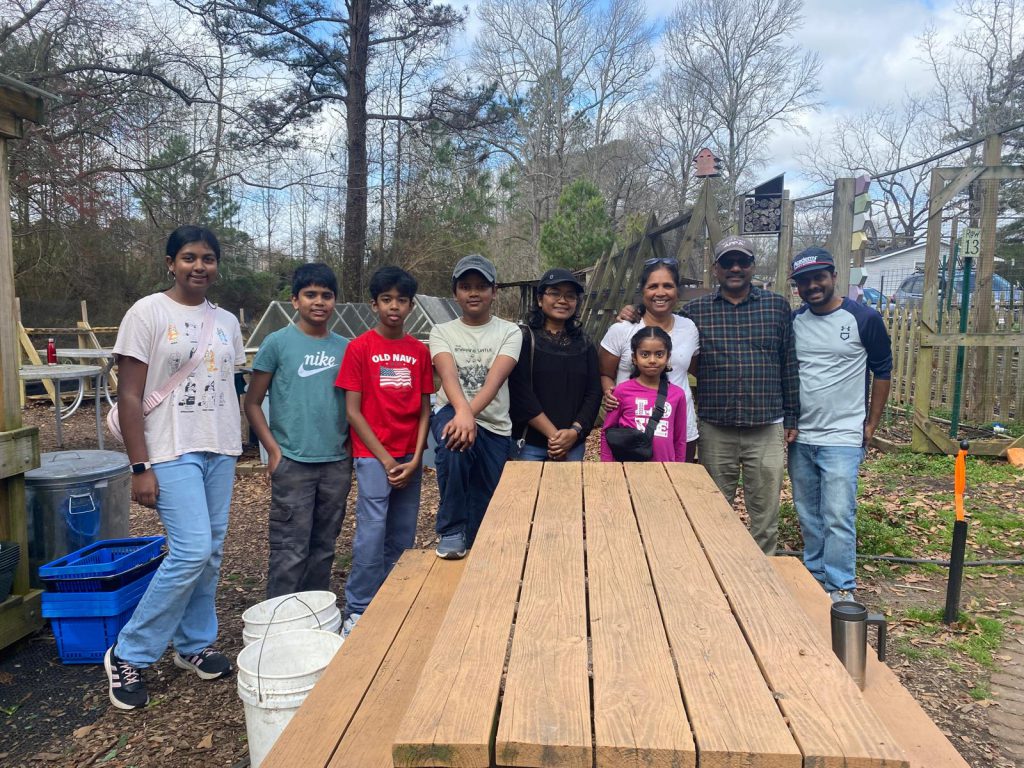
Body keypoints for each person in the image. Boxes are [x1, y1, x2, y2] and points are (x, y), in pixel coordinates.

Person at [104, 226, 245, 710]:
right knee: (190, 551)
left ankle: (193, 644)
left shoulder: (226, 321)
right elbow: (129, 395)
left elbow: (226, 384)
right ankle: (129, 652)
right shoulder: (147, 313)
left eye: (208, 258)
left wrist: (237, 445)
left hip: (218, 446)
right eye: (189, 257)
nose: (199, 266)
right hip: (169, 448)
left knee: (210, 554)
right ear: (170, 263)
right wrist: (139, 465)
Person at [683, 235, 799, 556]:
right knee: (713, 508)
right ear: (715, 269)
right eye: (727, 262)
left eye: (742, 261)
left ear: (752, 266)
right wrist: (632, 313)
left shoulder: (776, 307)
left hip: (766, 425)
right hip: (715, 426)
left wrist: (792, 415)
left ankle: (763, 570)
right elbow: (664, 335)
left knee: (765, 514)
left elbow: (788, 363)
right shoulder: (694, 312)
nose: (735, 268)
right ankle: (718, 569)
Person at [788, 247, 892, 602]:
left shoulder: (863, 318)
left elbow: (882, 370)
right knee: (808, 512)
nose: (812, 286)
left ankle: (840, 586)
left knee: (837, 513)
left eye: (818, 277)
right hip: (801, 435)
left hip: (843, 435)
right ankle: (814, 576)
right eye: (803, 281)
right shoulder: (795, 321)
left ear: (833, 276)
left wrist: (871, 423)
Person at [244, 263, 351, 600]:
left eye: (326, 295)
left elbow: (355, 406)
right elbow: (252, 403)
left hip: (336, 464)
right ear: (295, 300)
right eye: (310, 294)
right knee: (290, 548)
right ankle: (278, 618)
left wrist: (349, 452)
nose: (318, 302)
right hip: (293, 463)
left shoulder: (346, 348)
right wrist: (273, 451)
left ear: (334, 301)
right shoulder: (277, 343)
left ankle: (314, 613)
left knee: (324, 546)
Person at [335, 266, 433, 636]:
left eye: (402, 300)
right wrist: (387, 459)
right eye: (387, 299)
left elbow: (424, 409)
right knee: (371, 534)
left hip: (410, 456)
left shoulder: (418, 352)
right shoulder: (359, 348)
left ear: (410, 306)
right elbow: (353, 412)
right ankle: (358, 609)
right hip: (373, 456)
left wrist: (417, 456)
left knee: (403, 534)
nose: (394, 306)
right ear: (374, 304)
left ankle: (394, 601)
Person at [430, 254, 521, 559]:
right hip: (451, 410)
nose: (473, 293)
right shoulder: (442, 331)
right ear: (455, 292)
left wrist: (469, 414)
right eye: (466, 286)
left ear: (494, 291)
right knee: (454, 441)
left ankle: (476, 545)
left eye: (481, 286)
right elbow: (448, 375)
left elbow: (495, 380)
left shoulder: (509, 332)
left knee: (485, 497)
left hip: (494, 422)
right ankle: (452, 529)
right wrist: (462, 414)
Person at [600, 257, 700, 461]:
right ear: (643, 291)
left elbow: (695, 368)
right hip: (630, 433)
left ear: (677, 291)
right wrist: (610, 393)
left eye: (668, 286)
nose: (660, 292)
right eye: (653, 286)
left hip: (678, 429)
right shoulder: (622, 329)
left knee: (676, 480)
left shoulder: (689, 328)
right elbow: (604, 372)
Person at [508, 268, 602, 461]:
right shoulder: (524, 339)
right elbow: (520, 393)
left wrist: (575, 431)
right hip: (529, 445)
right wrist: (555, 436)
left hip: (573, 445)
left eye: (570, 296)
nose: (563, 300)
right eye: (555, 293)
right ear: (540, 299)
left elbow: (593, 392)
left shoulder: (585, 344)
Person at [600, 326, 688, 462]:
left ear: (668, 357)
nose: (652, 360)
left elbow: (680, 438)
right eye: (645, 354)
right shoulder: (622, 391)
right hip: (628, 467)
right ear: (634, 358)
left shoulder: (677, 394)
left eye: (659, 354)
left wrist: (678, 468)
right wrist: (607, 467)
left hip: (665, 468)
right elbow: (607, 432)